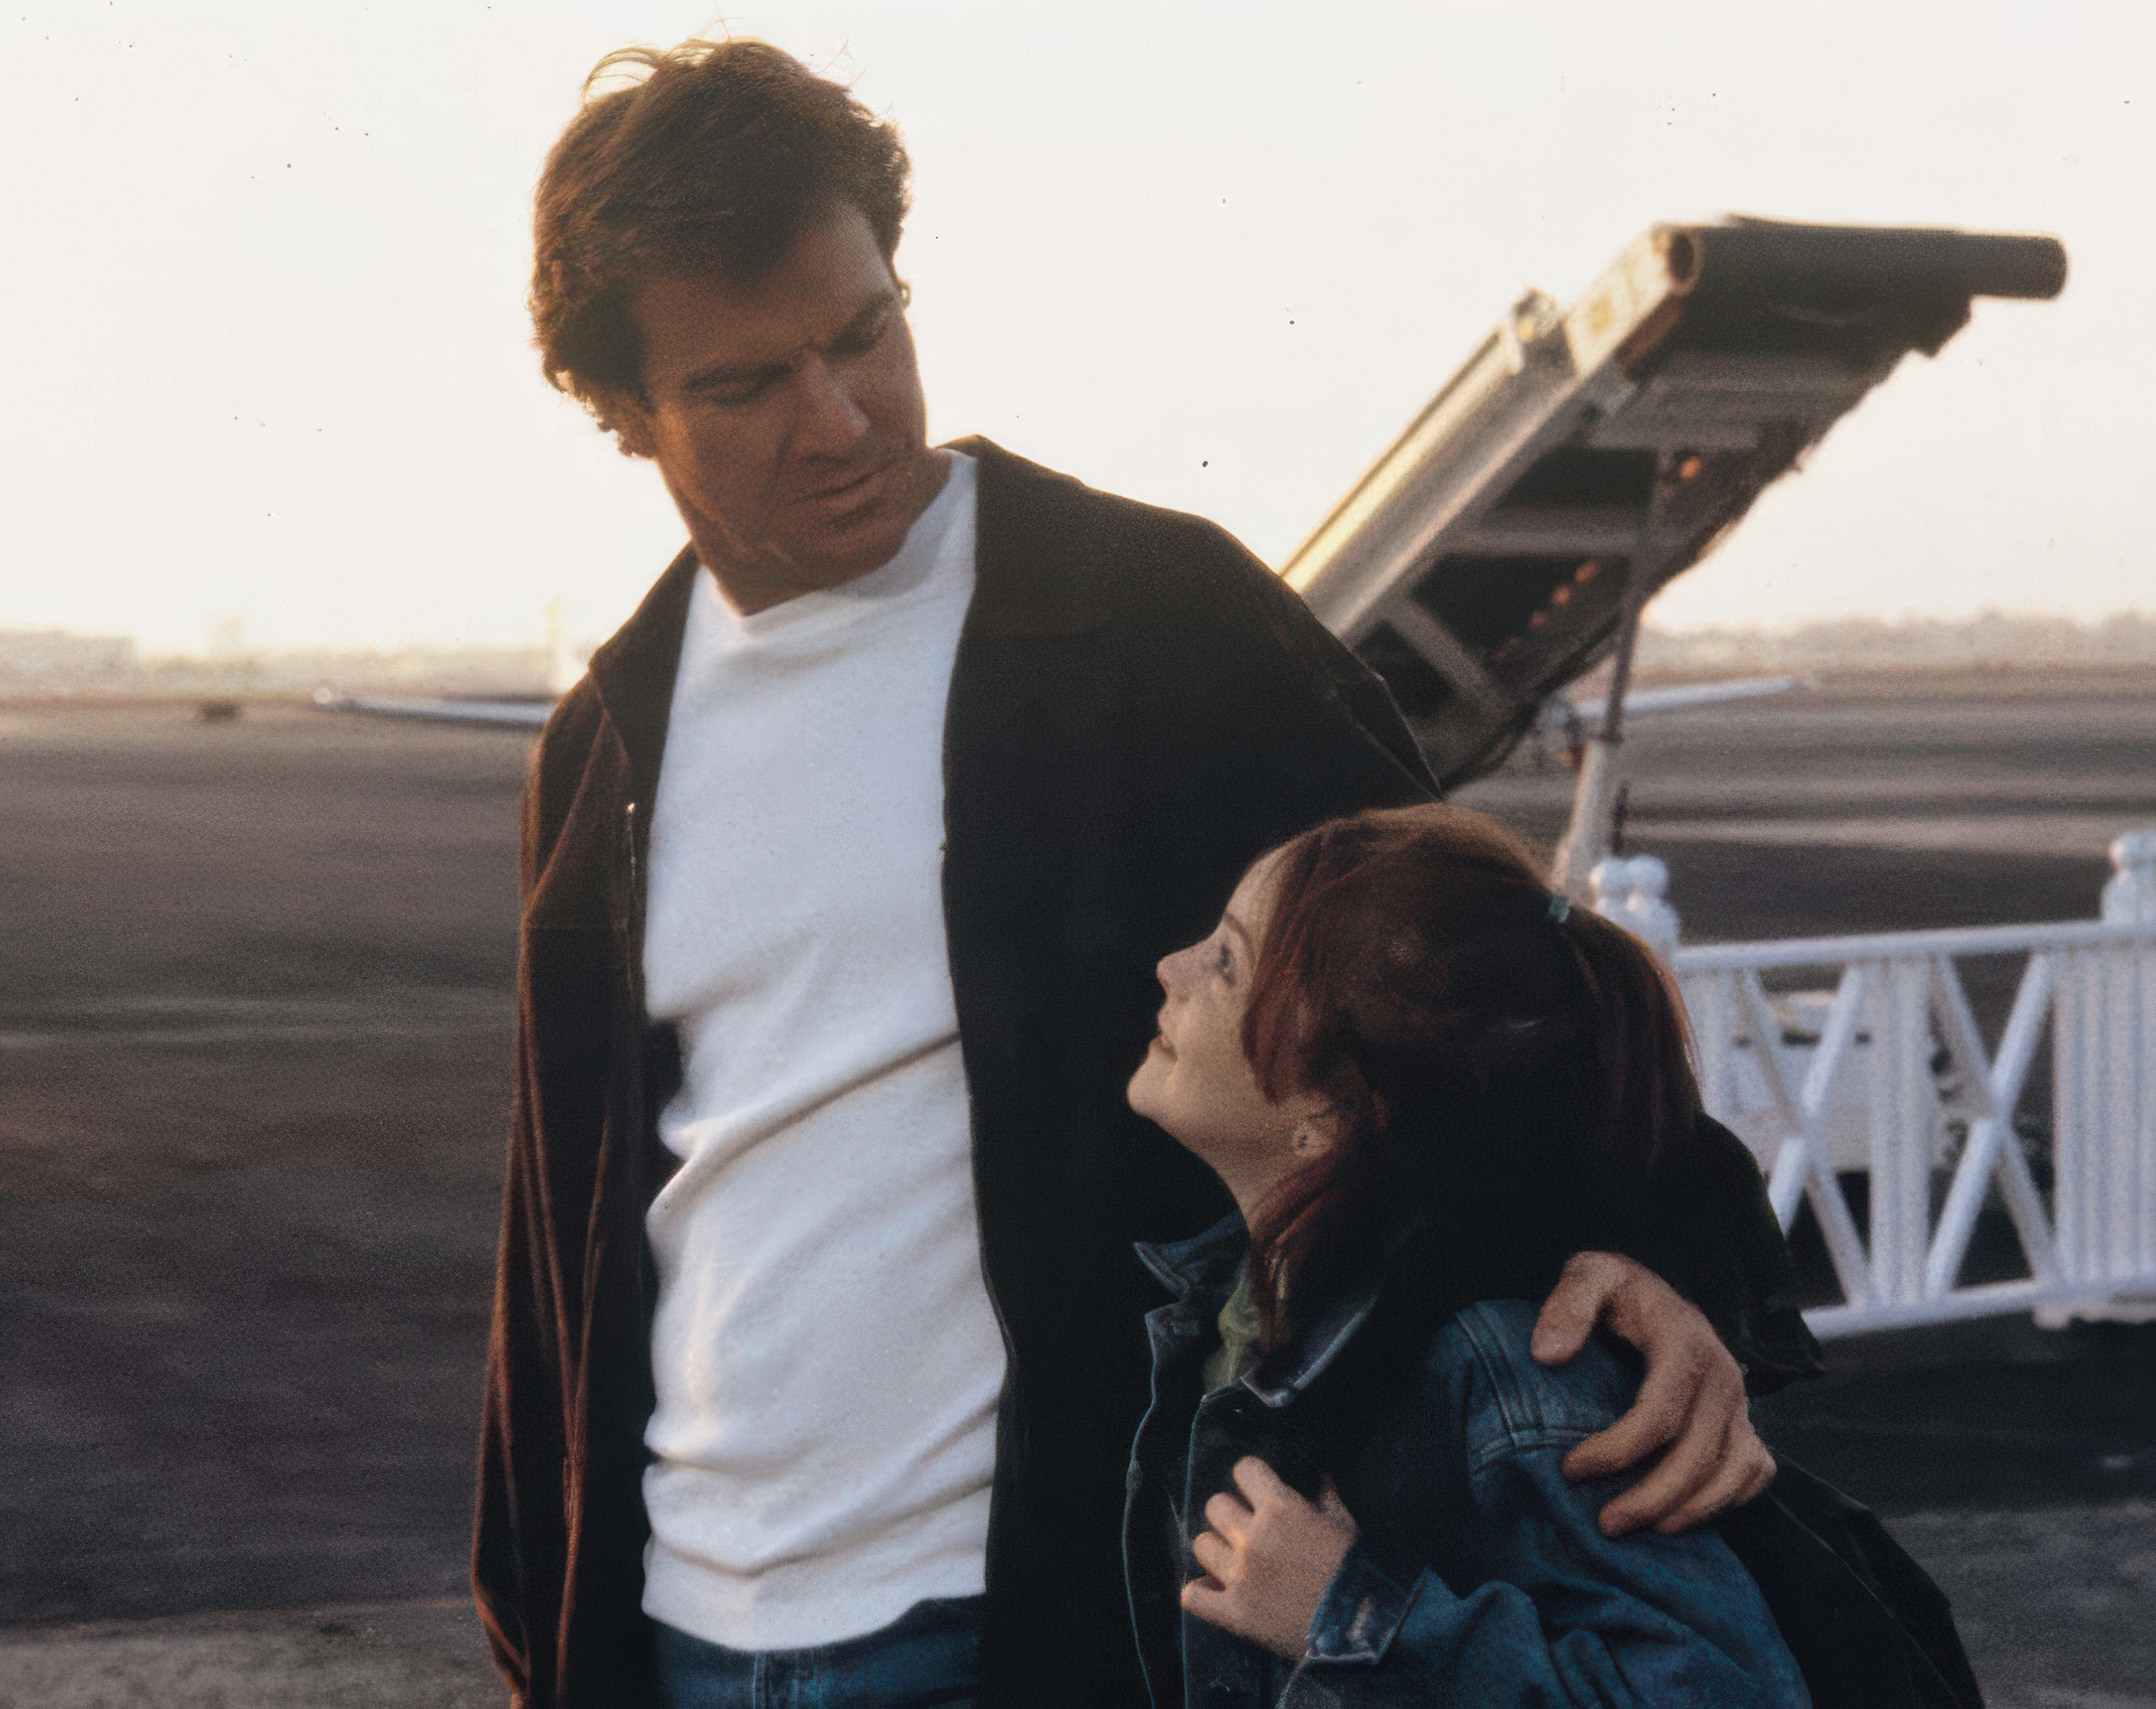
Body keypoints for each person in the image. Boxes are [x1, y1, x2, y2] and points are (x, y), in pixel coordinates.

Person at [478, 38, 1815, 1709]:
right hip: (678, 1628)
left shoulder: (1154, 618)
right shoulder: (606, 740)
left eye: (866, 334)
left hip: (1035, 1615)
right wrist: (542, 1614)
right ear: (625, 415)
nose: (840, 421)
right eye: (747, 387)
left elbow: (1478, 979)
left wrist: (1671, 1264)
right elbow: (570, 1228)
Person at [1122, 804, 1976, 1707]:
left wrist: (1349, 1614)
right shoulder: (1238, 1303)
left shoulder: (1500, 1362)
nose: (1171, 967)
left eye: (1228, 963)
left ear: (1335, 1113)